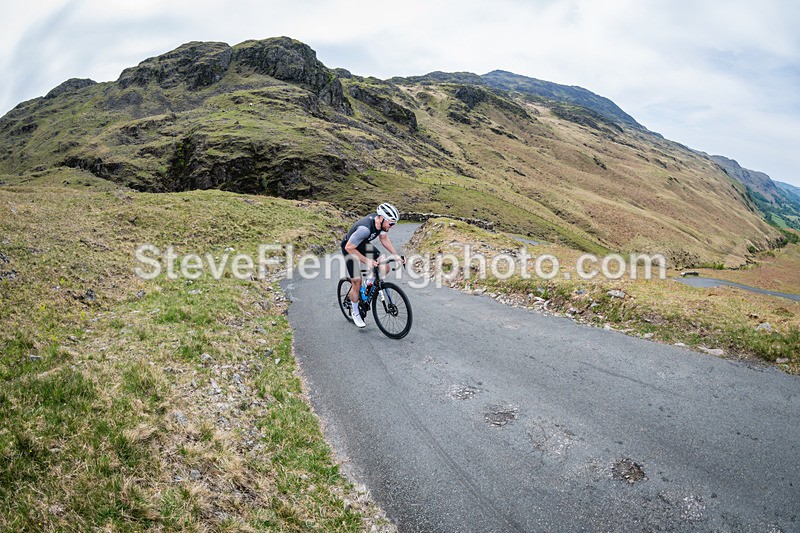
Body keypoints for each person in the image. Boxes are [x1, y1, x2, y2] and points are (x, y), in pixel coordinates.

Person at [341, 202, 404, 328]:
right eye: (391, 223)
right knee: (357, 282)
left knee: (384, 267)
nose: (392, 226)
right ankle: (355, 310)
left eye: (394, 223)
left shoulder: (381, 224)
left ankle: (369, 283)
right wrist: (366, 260)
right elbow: (349, 247)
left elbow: (384, 239)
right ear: (381, 218)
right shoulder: (365, 229)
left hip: (363, 245)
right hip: (349, 248)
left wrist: (395, 255)